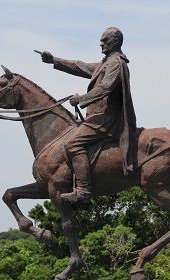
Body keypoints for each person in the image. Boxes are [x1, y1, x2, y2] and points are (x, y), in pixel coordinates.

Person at [39, 27, 137, 203]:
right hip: (97, 117)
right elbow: (80, 66)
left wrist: (82, 99)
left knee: (72, 144)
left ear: (115, 42)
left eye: (104, 40)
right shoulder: (106, 63)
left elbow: (105, 88)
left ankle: (83, 190)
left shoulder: (116, 63)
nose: (101, 44)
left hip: (107, 119)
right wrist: (54, 60)